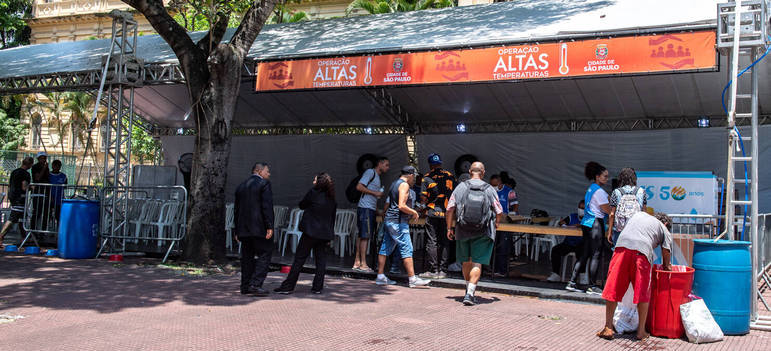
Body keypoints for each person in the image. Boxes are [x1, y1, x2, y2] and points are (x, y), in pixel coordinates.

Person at [597, 212, 673, 341]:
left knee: (613, 287)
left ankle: (608, 327)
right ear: (666, 224)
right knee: (642, 292)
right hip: (641, 252)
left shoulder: (639, 215)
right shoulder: (663, 228)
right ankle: (641, 332)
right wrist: (667, 267)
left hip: (621, 248)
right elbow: (666, 251)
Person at [446, 162, 504, 305]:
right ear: (483, 172)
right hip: (483, 231)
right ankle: (470, 293)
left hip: (462, 230)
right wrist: (496, 223)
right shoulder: (489, 189)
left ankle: (467, 291)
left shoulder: (460, 187)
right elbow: (499, 211)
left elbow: (449, 209)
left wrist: (449, 228)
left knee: (466, 261)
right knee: (477, 262)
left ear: (470, 172)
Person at [275, 173, 336, 295]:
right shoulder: (332, 199)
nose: (313, 181)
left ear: (319, 182)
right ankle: (317, 287)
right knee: (321, 261)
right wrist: (330, 235)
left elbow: (302, 205)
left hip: (310, 232)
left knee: (299, 259)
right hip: (324, 234)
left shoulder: (313, 193)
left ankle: (289, 286)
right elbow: (332, 219)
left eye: (315, 179)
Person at [375, 166, 431, 288]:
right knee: (407, 248)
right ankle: (412, 279)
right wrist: (414, 212)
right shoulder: (404, 185)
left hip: (390, 220)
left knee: (385, 247)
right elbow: (401, 205)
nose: (414, 180)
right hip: (398, 222)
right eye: (414, 177)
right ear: (410, 175)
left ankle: (380, 276)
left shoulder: (394, 183)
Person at [566, 161, 611, 295]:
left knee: (585, 254)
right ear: (597, 176)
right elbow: (607, 210)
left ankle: (572, 282)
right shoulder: (600, 192)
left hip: (586, 224)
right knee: (596, 255)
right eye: (605, 176)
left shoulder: (591, 188)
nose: (606, 179)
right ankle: (592, 286)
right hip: (595, 224)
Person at [234, 162, 275, 297]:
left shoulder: (241, 186)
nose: (268, 174)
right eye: (267, 171)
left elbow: (237, 210)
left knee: (247, 257)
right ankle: (256, 284)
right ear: (259, 171)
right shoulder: (264, 184)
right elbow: (266, 206)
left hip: (244, 229)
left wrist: (236, 230)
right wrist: (269, 226)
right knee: (265, 254)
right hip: (259, 227)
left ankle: (245, 285)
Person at [419, 153, 455, 279]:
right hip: (447, 213)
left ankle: (433, 270)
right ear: (440, 163)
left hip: (432, 212)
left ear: (430, 165)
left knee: (432, 241)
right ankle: (443, 271)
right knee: (445, 241)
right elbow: (454, 196)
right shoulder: (450, 176)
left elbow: (423, 197)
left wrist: (422, 208)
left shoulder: (427, 177)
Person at [353, 157, 389, 272]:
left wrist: (377, 209)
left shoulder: (377, 177)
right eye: (386, 165)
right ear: (380, 163)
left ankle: (357, 262)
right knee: (365, 236)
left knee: (361, 235)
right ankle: (363, 264)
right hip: (365, 208)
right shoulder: (370, 172)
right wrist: (375, 193)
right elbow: (359, 187)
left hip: (369, 208)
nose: (388, 168)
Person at [607, 168, 647, 248]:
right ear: (634, 178)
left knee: (620, 255)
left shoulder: (616, 192)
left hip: (620, 231)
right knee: (635, 254)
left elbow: (612, 214)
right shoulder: (641, 191)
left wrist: (609, 232)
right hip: (636, 230)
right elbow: (644, 213)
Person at [546, 200, 585, 282]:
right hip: (569, 243)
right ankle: (556, 274)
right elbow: (561, 223)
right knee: (555, 250)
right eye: (580, 208)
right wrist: (564, 225)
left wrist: (580, 225)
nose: (581, 210)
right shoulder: (572, 216)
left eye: (583, 208)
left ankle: (582, 276)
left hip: (581, 244)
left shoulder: (589, 219)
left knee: (582, 254)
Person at [0, 157, 33, 248]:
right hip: (20, 198)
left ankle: (24, 237)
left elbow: (11, 185)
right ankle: (1, 236)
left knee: (21, 218)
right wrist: (31, 188)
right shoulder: (25, 174)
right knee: (13, 218)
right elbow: (24, 187)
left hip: (13, 196)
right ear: (29, 164)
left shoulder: (14, 172)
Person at [489, 174, 517, 277]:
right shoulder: (490, 191)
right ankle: (493, 269)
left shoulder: (510, 192)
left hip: (505, 221)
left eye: (495, 185)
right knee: (492, 246)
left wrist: (512, 214)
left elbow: (515, 205)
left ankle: (502, 270)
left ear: (500, 182)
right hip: (492, 221)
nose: (493, 187)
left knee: (503, 247)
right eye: (491, 185)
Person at [30, 151, 50, 230]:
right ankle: (33, 229)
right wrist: (44, 169)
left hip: (45, 192)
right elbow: (37, 178)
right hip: (38, 192)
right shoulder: (35, 167)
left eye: (44, 158)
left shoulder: (46, 167)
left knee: (45, 212)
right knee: (37, 212)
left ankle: (43, 230)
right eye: (42, 158)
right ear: (38, 159)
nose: (43, 159)